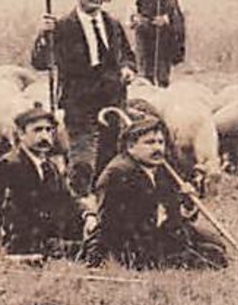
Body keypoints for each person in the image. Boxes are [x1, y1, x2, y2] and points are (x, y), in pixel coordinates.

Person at [32, 0, 137, 195]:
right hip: (79, 105)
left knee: (111, 163)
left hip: (113, 103)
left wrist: (128, 69)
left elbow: (128, 56)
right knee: (82, 164)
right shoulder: (61, 27)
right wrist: (42, 34)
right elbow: (40, 62)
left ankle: (105, 214)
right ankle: (78, 212)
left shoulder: (113, 24)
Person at [84, 115, 226, 270]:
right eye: (149, 143)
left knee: (216, 243)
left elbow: (175, 213)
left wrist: (187, 201)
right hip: (136, 245)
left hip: (160, 232)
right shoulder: (118, 174)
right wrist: (97, 259)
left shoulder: (160, 168)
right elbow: (107, 225)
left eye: (161, 142)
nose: (158, 148)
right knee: (214, 257)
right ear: (131, 147)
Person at [0, 106, 85, 259]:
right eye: (37, 130)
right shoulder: (9, 165)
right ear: (21, 134)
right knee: (94, 249)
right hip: (24, 243)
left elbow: (68, 198)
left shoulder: (49, 166)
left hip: (48, 237)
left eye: (49, 130)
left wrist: (88, 215)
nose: (44, 136)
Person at [130, 0, 185, 88]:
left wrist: (166, 18)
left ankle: (162, 86)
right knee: (144, 60)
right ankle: (146, 86)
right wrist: (135, 18)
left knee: (162, 61)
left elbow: (174, 8)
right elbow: (131, 8)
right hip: (144, 30)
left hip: (162, 30)